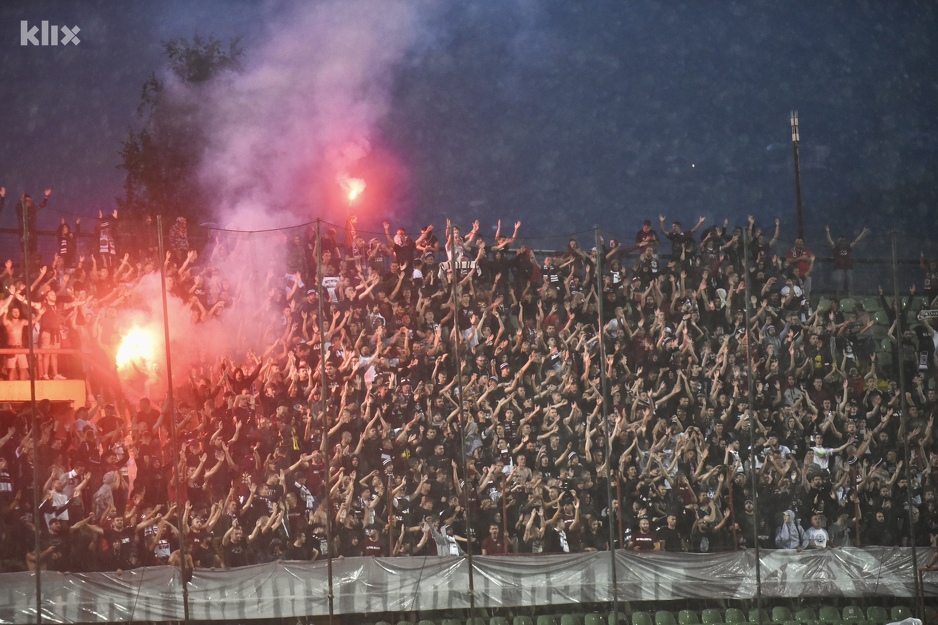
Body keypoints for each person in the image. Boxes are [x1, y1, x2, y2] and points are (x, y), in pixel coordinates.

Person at [825, 225, 869, 297]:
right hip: (839, 268)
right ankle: (838, 299)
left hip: (848, 268)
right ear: (838, 241)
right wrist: (827, 232)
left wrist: (863, 232)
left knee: (850, 286)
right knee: (839, 286)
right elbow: (829, 241)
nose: (843, 242)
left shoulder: (847, 247)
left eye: (843, 240)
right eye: (841, 241)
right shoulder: (836, 248)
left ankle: (849, 298)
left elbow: (857, 241)